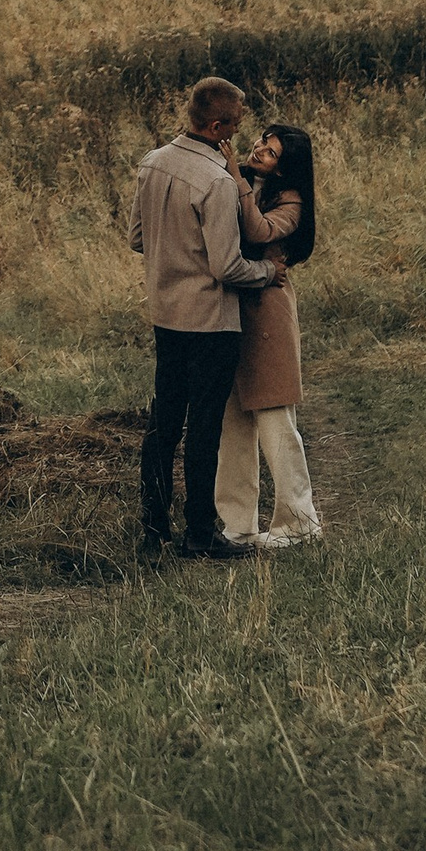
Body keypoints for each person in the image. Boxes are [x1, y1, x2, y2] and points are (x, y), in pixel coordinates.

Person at [128, 74, 284, 561]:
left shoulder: (152, 163)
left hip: (165, 314)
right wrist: (266, 272)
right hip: (211, 322)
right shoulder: (216, 181)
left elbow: (137, 238)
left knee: (163, 424)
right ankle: (199, 534)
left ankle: (153, 533)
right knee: (204, 428)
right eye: (235, 125)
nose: (238, 133)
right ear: (216, 125)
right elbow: (227, 266)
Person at [216, 124, 324, 546]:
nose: (259, 149)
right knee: (233, 421)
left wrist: (236, 176)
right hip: (231, 306)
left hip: (268, 315)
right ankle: (237, 525)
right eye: (262, 141)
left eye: (271, 152)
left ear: (285, 169)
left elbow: (259, 231)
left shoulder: (291, 202)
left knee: (276, 419)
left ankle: (299, 523)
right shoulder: (239, 180)